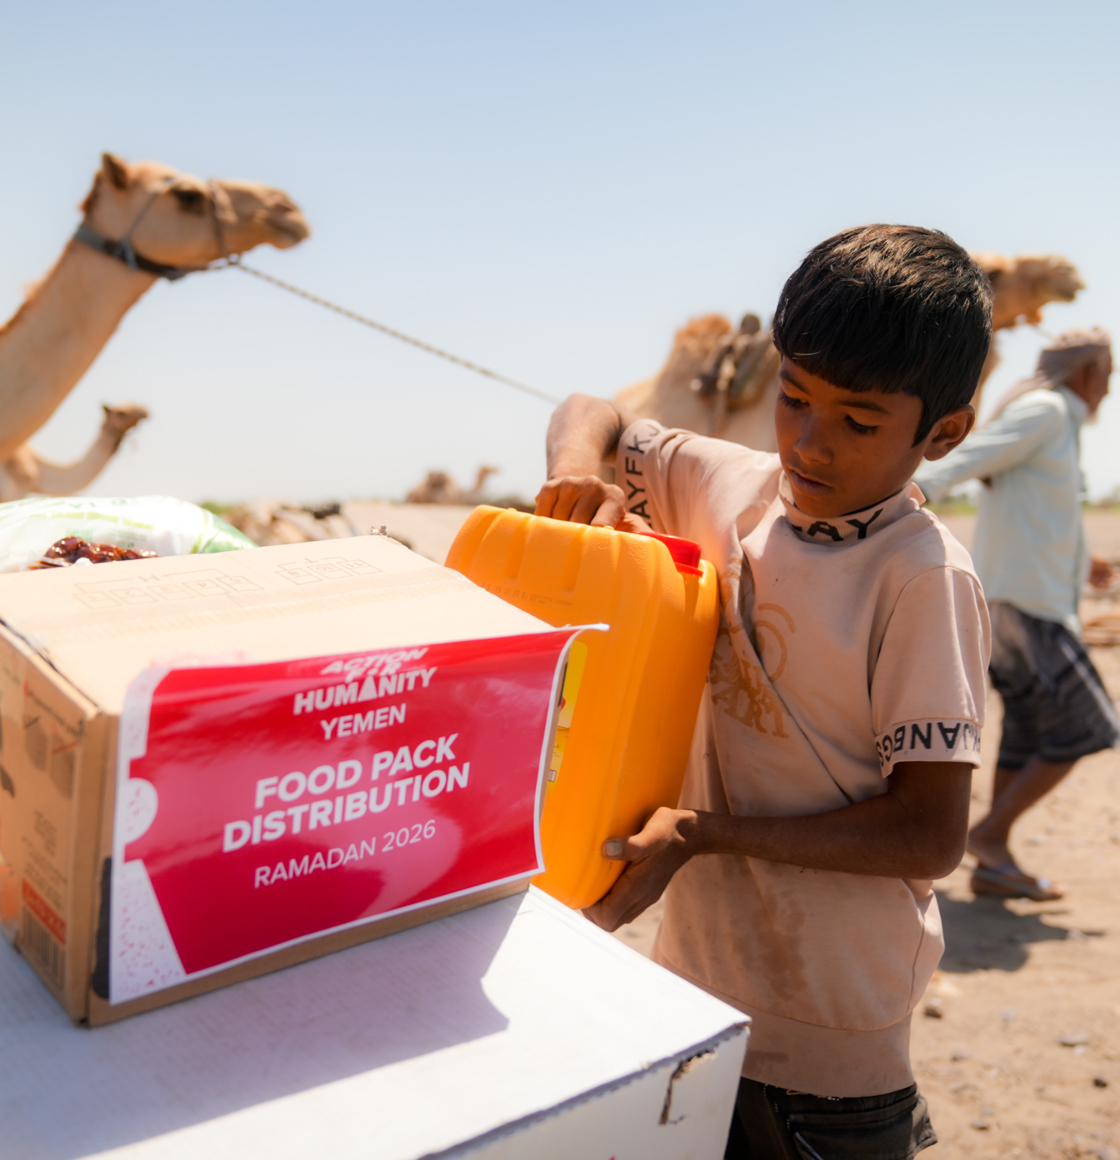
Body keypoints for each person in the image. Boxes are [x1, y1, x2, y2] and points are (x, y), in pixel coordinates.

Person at [535, 224, 993, 1159]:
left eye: (860, 423)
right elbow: (591, 410)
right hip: (695, 994)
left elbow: (930, 833)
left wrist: (703, 835)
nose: (810, 444)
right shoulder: (730, 487)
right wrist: (580, 475)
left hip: (834, 1038)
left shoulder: (920, 578)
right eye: (793, 399)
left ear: (943, 432)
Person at [914, 329, 1119, 902]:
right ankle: (990, 833)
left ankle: (995, 864)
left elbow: (1039, 509)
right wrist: (903, 493)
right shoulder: (1049, 410)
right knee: (1090, 726)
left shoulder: (1056, 418)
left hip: (1016, 600)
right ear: (1086, 373)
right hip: (1031, 607)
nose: (1110, 384)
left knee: (1029, 731)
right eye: (1108, 371)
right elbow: (973, 453)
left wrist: (1086, 559)